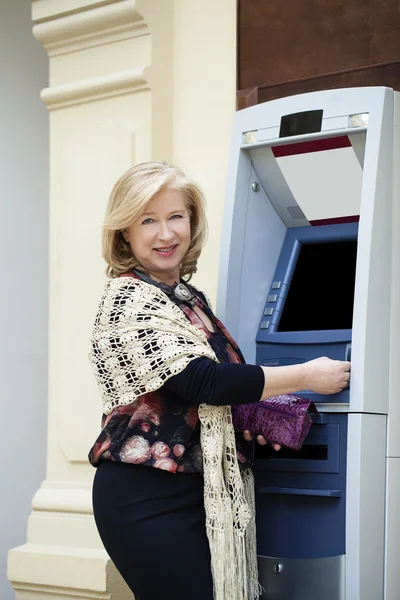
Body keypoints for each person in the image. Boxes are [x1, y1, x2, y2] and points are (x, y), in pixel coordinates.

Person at [88, 161, 351, 600]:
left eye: (176, 216)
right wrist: (307, 375)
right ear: (125, 234)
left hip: (200, 494)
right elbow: (202, 383)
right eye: (148, 220)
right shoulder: (128, 299)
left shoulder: (188, 300)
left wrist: (248, 423)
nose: (166, 233)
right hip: (147, 499)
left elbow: (205, 402)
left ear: (192, 221)